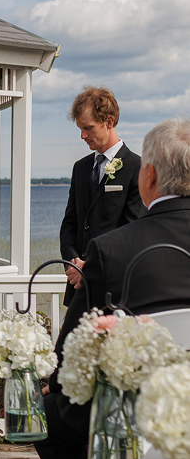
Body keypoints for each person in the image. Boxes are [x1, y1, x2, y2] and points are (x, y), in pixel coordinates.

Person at [37, 116, 190, 459]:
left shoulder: (112, 250)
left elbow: (75, 343)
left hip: (132, 415)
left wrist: (55, 384)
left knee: (49, 417)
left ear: (148, 176)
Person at [59, 87, 144, 306]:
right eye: (80, 128)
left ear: (109, 121)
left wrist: (91, 268)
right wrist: (74, 266)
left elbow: (130, 232)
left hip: (113, 291)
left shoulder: (137, 167)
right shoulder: (80, 168)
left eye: (88, 128)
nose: (82, 136)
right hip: (77, 290)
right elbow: (70, 223)